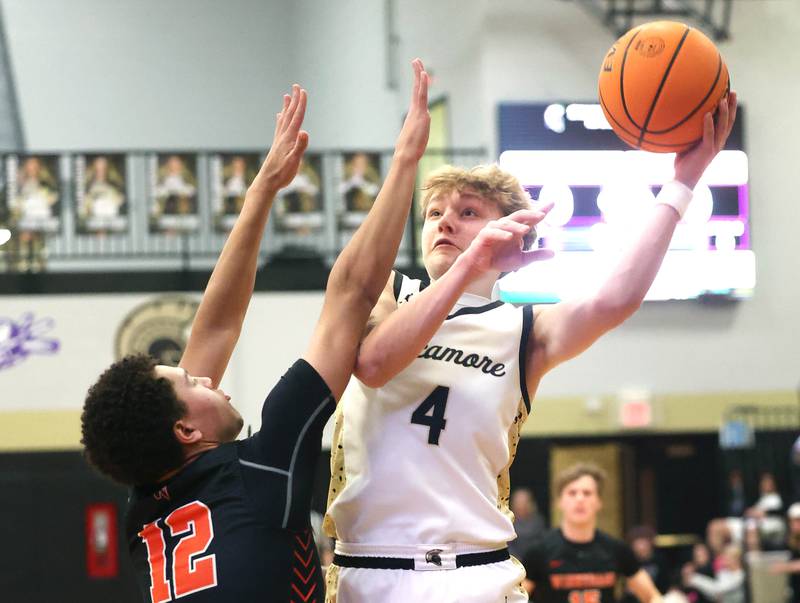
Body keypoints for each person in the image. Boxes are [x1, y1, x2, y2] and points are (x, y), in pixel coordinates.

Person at [323, 90, 738, 603]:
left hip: (477, 572)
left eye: (469, 212)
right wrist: (470, 265)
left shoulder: (524, 330)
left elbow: (617, 298)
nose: (446, 223)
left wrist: (682, 182)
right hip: (370, 569)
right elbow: (375, 363)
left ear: (514, 237)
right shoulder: (386, 290)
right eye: (434, 214)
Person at [81, 58, 432, 602]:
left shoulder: (147, 507)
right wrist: (407, 160)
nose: (211, 380)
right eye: (195, 384)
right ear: (185, 431)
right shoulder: (260, 472)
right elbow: (352, 296)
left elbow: (217, 326)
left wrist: (262, 190)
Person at [522, 464, 661, 602]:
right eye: (572, 493)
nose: (580, 499)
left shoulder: (616, 549)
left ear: (599, 501)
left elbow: (652, 596)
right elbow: (512, 599)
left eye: (587, 493)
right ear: (560, 501)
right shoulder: (539, 552)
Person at [509, 488, 546, 560]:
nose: (521, 505)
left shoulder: (538, 521)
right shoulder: (508, 522)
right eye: (518, 502)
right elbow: (508, 545)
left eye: (524, 502)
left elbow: (542, 542)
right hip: (515, 562)